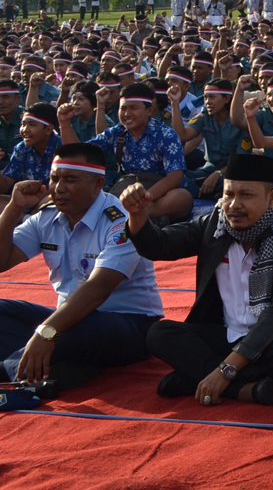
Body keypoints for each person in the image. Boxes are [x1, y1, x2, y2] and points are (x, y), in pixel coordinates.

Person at [125, 152, 273, 405]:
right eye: (229, 194)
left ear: (272, 197)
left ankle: (199, 378)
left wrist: (224, 371)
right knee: (159, 333)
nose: (234, 205)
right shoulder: (217, 223)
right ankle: (242, 389)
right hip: (226, 334)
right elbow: (160, 246)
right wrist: (137, 213)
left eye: (246, 195)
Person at [0, 144, 163, 390]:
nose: (58, 188)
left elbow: (99, 287)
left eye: (70, 180)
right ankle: (59, 370)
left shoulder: (121, 221)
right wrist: (14, 209)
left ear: (97, 184)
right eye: (54, 178)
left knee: (73, 329)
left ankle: (12, 370)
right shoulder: (47, 216)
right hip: (69, 319)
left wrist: (46, 331)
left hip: (128, 326)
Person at [61, 83, 193, 222]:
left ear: (149, 110)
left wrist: (145, 197)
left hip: (159, 192)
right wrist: (64, 123)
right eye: (123, 108)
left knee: (182, 197)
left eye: (133, 108)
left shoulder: (166, 134)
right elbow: (77, 155)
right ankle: (126, 216)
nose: (127, 114)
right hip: (127, 186)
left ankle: (129, 216)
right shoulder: (116, 133)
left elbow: (175, 177)